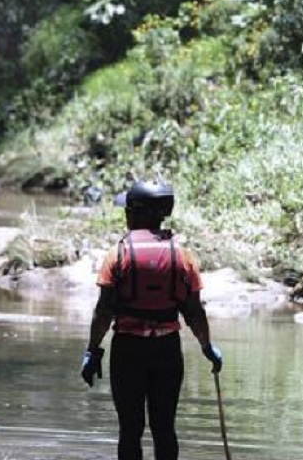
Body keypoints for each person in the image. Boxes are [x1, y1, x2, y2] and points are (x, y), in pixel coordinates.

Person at [82, 180, 223, 460]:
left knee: (130, 430)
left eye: (128, 209)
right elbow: (194, 311)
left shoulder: (118, 254)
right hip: (167, 351)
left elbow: (104, 311)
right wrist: (207, 348)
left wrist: (92, 350)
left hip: (128, 351)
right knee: (164, 428)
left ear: (136, 213)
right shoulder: (182, 256)